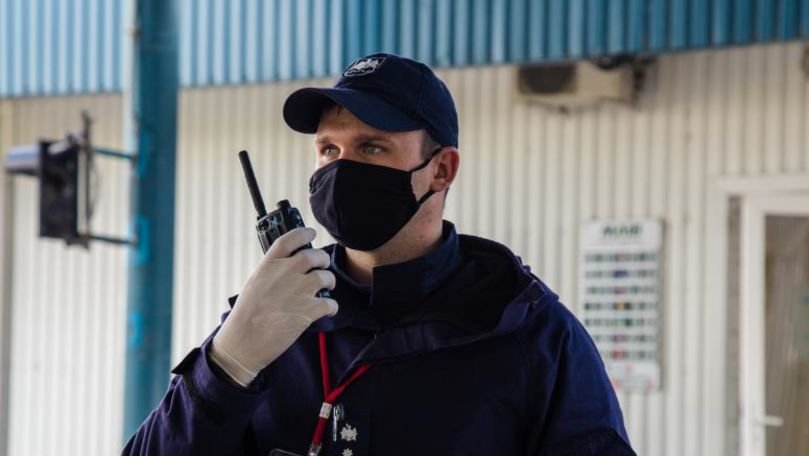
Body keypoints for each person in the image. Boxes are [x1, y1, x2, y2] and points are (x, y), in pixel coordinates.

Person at [123, 53, 634, 456]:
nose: (341, 169)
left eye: (371, 147)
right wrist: (226, 364)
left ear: (441, 170)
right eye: (329, 150)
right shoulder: (273, 318)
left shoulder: (529, 333)